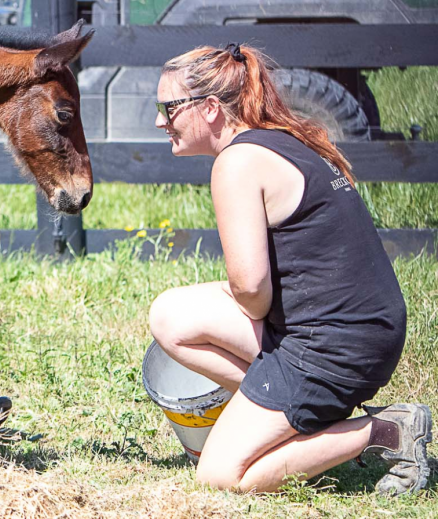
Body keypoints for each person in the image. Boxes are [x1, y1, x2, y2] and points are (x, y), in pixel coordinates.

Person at [147, 43, 430, 495]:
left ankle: (383, 432)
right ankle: (290, 412)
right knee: (170, 315)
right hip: (364, 328)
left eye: (169, 108)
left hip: (332, 345)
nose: (161, 121)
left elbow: (253, 291)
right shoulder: (281, 140)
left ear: (210, 109)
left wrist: (240, 295)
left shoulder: (236, 162)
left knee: (220, 475)